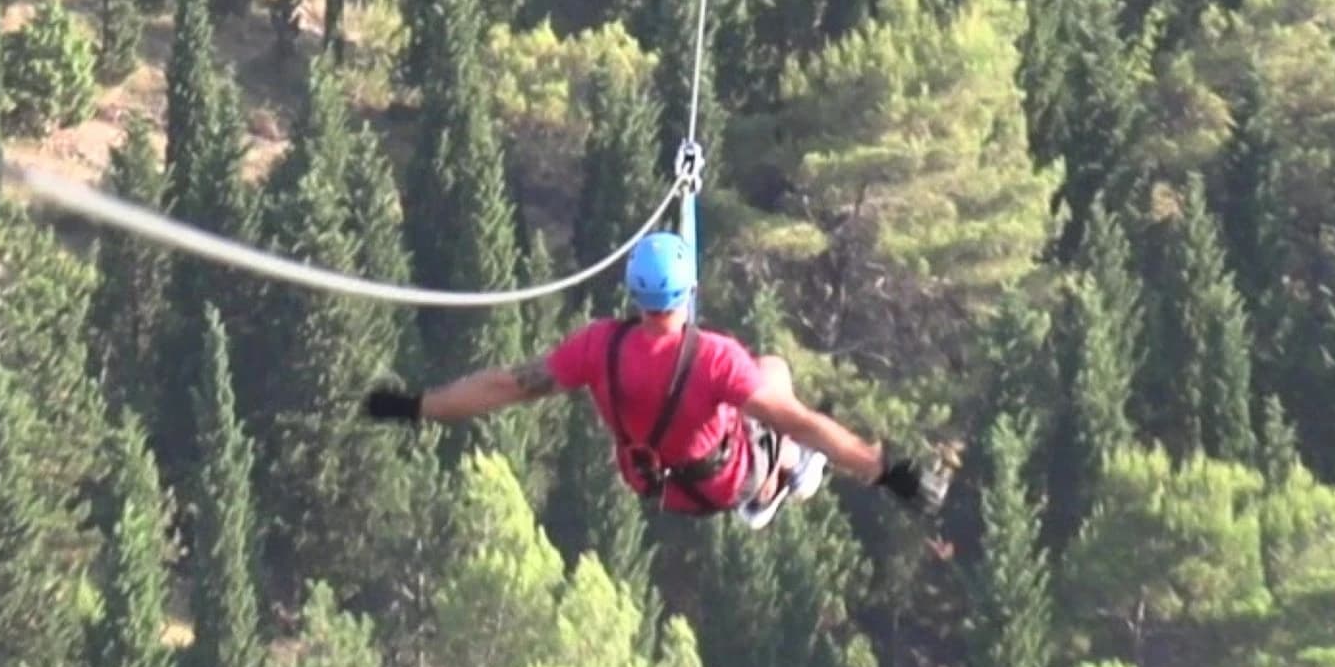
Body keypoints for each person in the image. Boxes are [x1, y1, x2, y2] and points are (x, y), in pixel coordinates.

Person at [357, 231, 947, 530]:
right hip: (728, 486)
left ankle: (786, 475)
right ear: (687, 290)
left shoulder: (596, 347)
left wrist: (415, 407)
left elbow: (504, 387)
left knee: (747, 404)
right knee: (775, 376)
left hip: (655, 486)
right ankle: (784, 483)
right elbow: (806, 422)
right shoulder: (716, 359)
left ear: (633, 292)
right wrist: (886, 472)